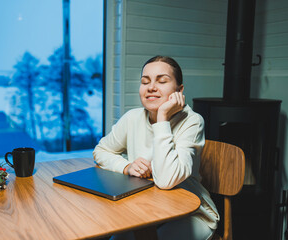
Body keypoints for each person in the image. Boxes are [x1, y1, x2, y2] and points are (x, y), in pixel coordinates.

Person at [93, 55, 219, 240]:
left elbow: (167, 180)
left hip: (191, 214)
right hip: (143, 209)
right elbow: (101, 151)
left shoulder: (192, 121)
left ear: (179, 90)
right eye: (145, 81)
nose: (151, 87)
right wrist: (126, 167)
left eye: (162, 81)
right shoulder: (132, 118)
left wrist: (162, 117)